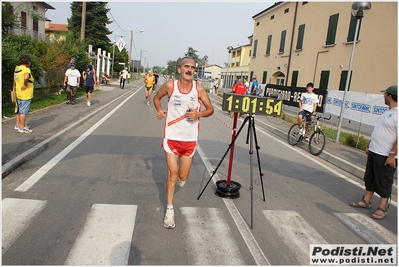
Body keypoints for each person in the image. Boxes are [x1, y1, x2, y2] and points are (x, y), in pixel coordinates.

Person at [153, 56, 214, 229]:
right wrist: (159, 110)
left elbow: (210, 109)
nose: (189, 70)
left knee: (182, 176)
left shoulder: (199, 89)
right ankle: (170, 210)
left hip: (189, 140)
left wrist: (199, 115)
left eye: (192, 67)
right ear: (179, 69)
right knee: (172, 175)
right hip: (172, 137)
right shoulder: (170, 86)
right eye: (186, 66)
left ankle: (182, 177)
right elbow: (156, 98)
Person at [349, 85, 397, 220]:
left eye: (385, 94)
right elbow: (380, 130)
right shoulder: (387, 112)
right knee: (370, 178)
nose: (383, 96)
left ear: (390, 96)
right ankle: (366, 201)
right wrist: (370, 144)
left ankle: (382, 207)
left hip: (386, 155)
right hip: (375, 151)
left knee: (384, 181)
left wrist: (393, 154)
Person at [14, 54, 34, 133]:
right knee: (24, 111)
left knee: (19, 110)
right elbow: (26, 77)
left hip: (18, 92)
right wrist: (25, 85)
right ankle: (22, 127)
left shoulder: (17, 69)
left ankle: (18, 124)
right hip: (26, 93)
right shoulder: (26, 69)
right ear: (28, 62)